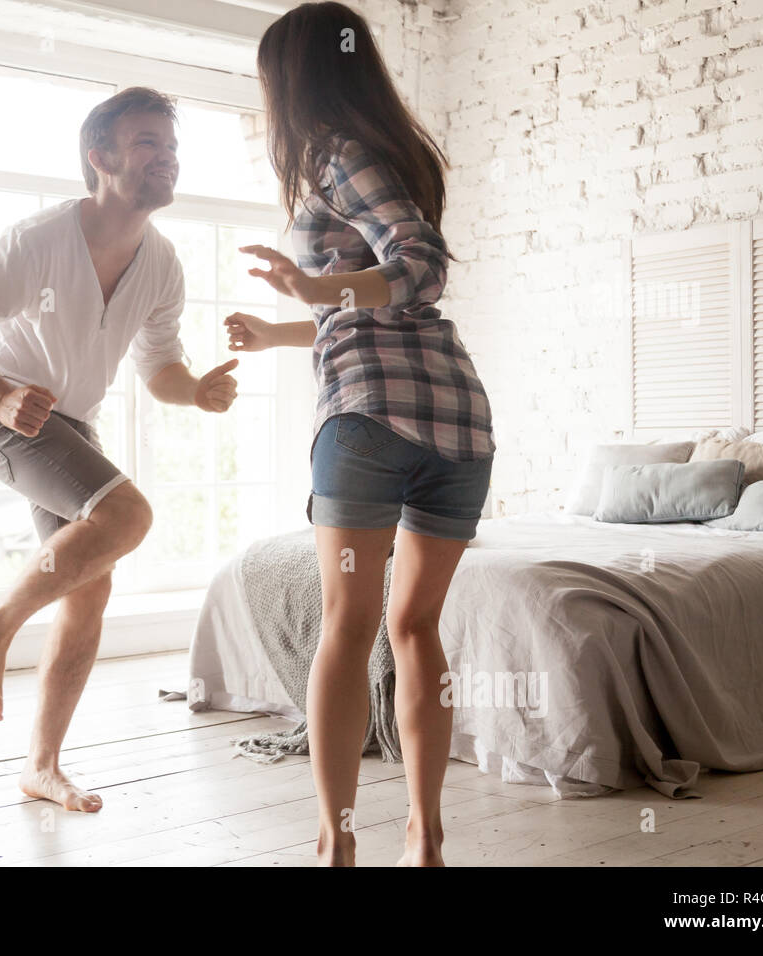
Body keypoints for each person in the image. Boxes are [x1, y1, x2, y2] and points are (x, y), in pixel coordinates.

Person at [224, 2, 495, 866]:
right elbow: (373, 307)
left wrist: (308, 291)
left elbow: (418, 270)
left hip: (369, 421)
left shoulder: (334, 153)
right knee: (415, 627)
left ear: (293, 80)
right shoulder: (399, 155)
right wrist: (282, 329)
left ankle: (336, 845)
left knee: (347, 626)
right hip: (455, 424)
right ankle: (425, 837)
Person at [0, 87, 239, 812]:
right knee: (129, 517)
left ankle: (42, 766)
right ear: (99, 158)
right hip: (4, 418)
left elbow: (160, 370)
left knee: (91, 586)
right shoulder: (39, 240)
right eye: (147, 144)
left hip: (72, 426)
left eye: (172, 147)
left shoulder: (161, 264)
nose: (167, 159)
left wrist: (198, 393)